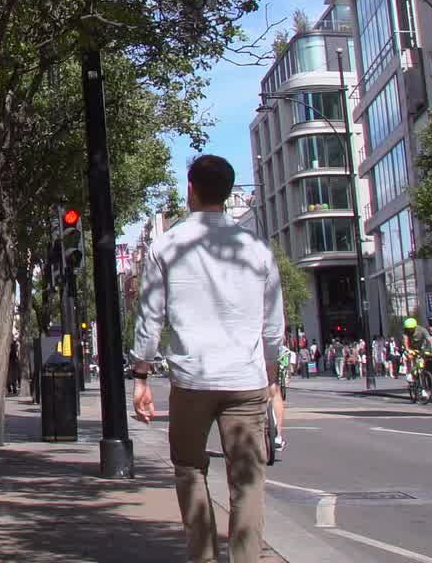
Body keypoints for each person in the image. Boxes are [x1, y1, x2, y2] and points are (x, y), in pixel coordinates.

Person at [132, 156, 283, 563]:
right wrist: (272, 376)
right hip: (246, 379)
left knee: (189, 468)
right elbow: (273, 324)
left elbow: (150, 317)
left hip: (192, 379)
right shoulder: (258, 249)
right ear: (229, 193)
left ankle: (202, 556)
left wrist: (141, 375)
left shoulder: (166, 246)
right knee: (247, 480)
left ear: (191, 189)